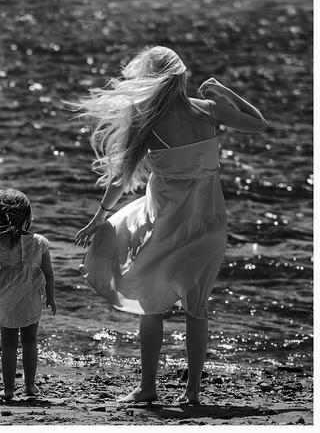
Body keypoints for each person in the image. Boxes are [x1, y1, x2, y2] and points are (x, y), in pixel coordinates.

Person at [70, 46, 267, 405]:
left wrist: (99, 217)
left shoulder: (147, 122)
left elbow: (121, 178)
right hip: (207, 222)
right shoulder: (210, 110)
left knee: (151, 304)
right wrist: (224, 92)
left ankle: (148, 387)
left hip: (163, 224)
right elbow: (258, 123)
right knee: (197, 306)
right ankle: (192, 393)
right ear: (181, 77)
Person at [0, 189, 57, 400]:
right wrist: (50, 297)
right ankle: (30, 386)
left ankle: (8, 390)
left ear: (0, 218)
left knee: (8, 345)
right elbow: (49, 274)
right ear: (28, 216)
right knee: (30, 341)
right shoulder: (40, 243)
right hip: (31, 298)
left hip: (6, 299)